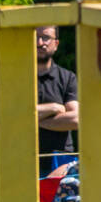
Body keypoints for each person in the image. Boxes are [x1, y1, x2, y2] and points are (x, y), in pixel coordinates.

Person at [36, 25, 79, 173]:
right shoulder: (18, 79)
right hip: (23, 160)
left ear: (56, 44)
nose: (40, 42)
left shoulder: (68, 78)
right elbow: (12, 117)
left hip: (61, 162)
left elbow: (75, 119)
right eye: (35, 37)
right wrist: (54, 108)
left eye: (46, 37)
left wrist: (32, 119)